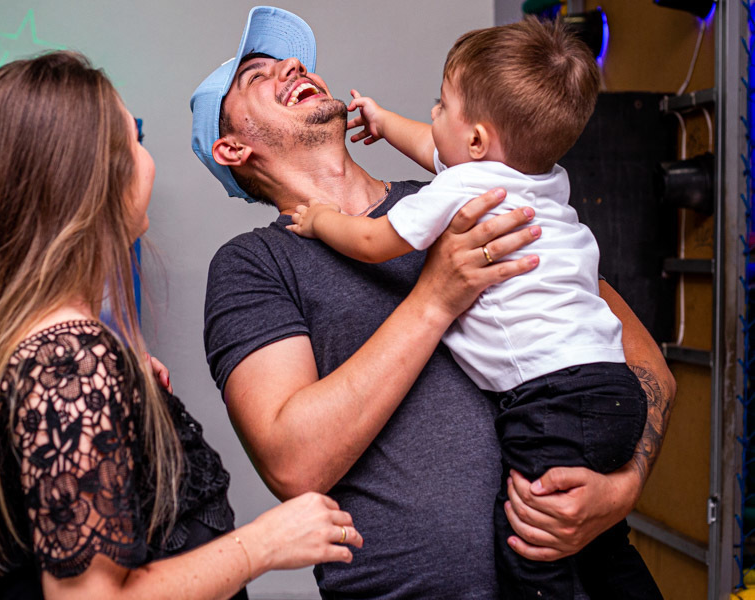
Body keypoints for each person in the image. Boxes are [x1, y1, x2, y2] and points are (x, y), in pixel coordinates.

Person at [190, 7, 674, 599]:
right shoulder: (253, 266)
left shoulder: (471, 195)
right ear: (232, 148)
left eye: (290, 60)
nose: (291, 65)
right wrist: (436, 298)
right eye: (255, 77)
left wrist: (626, 483)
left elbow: (647, 364)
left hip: (593, 579)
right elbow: (294, 463)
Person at [0, 51, 362, 600]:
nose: (148, 161)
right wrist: (263, 544)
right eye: (131, 143)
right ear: (90, 176)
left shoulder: (40, 354)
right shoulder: (66, 360)